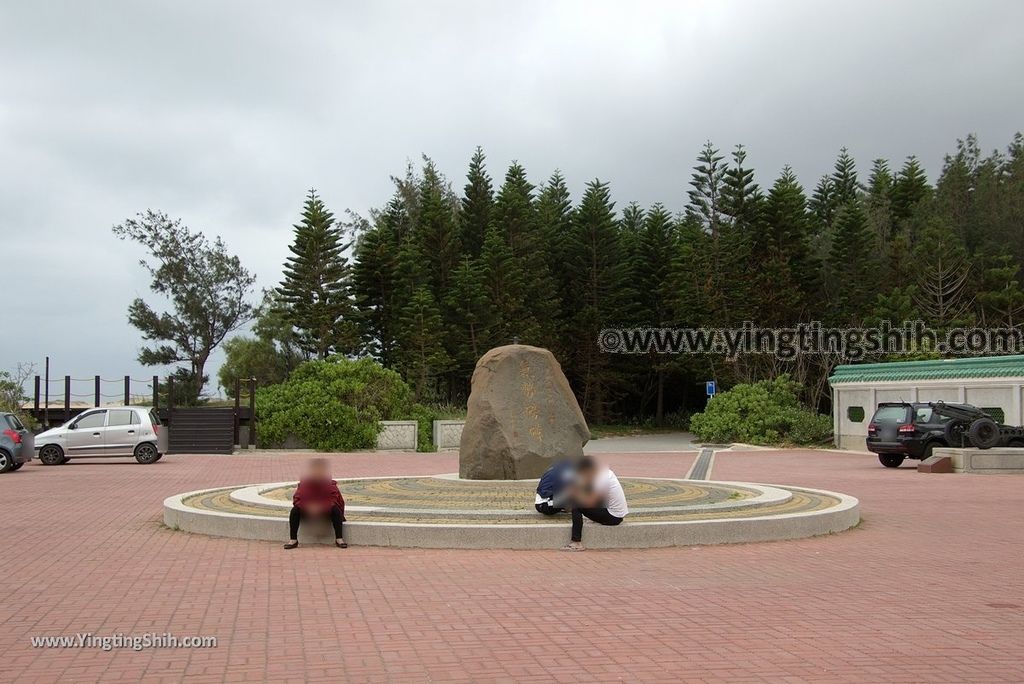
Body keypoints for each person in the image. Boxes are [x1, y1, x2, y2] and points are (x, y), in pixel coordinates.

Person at [562, 456, 627, 551]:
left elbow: (590, 502)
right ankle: (595, 518)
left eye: (583, 473)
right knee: (586, 490)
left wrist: (575, 494)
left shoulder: (601, 479)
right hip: (617, 513)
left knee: (576, 505)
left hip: (613, 517)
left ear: (588, 470)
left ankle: (576, 542)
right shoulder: (605, 472)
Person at [284, 458, 347, 549]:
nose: (318, 472)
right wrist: (308, 507)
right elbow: (297, 499)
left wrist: (321, 507)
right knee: (295, 511)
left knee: (336, 510)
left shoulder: (330, 484)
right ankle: (293, 540)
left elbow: (335, 500)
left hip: (326, 511)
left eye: (320, 470)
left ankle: (339, 539)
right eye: (315, 470)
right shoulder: (305, 484)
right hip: (308, 511)